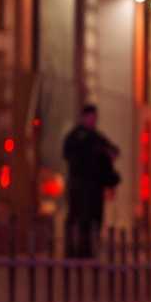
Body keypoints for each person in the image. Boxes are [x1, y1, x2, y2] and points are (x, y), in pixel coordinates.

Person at [62, 104, 119, 258]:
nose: (93, 121)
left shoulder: (96, 138)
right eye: (91, 117)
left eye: (95, 118)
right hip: (80, 185)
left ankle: (86, 250)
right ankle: (75, 249)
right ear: (84, 117)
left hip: (94, 186)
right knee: (79, 217)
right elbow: (70, 155)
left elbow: (113, 151)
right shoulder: (76, 137)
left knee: (93, 218)